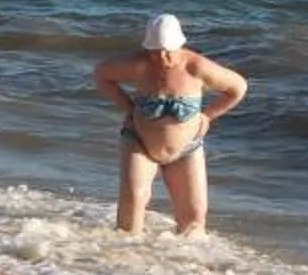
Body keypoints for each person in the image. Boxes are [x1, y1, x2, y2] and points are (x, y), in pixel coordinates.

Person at [93, 14, 247, 235]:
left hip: (186, 149)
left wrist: (208, 116)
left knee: (193, 218)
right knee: (132, 202)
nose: (162, 56)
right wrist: (128, 107)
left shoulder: (197, 67)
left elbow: (238, 88)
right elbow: (102, 74)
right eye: (156, 51)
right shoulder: (139, 64)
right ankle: (124, 263)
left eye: (168, 50)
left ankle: (185, 266)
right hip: (140, 143)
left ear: (179, 45)